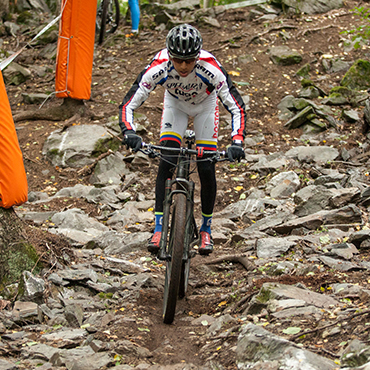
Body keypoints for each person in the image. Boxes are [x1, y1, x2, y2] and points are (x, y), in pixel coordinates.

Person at [119, 24, 246, 255]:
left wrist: (237, 141)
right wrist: (129, 131)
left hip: (205, 107)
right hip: (175, 106)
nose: (185, 66)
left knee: (206, 167)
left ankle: (206, 229)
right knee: (167, 160)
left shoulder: (211, 68)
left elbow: (236, 106)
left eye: (190, 60)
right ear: (170, 55)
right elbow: (129, 102)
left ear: (198, 56)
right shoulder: (159, 66)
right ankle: (158, 228)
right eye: (178, 60)